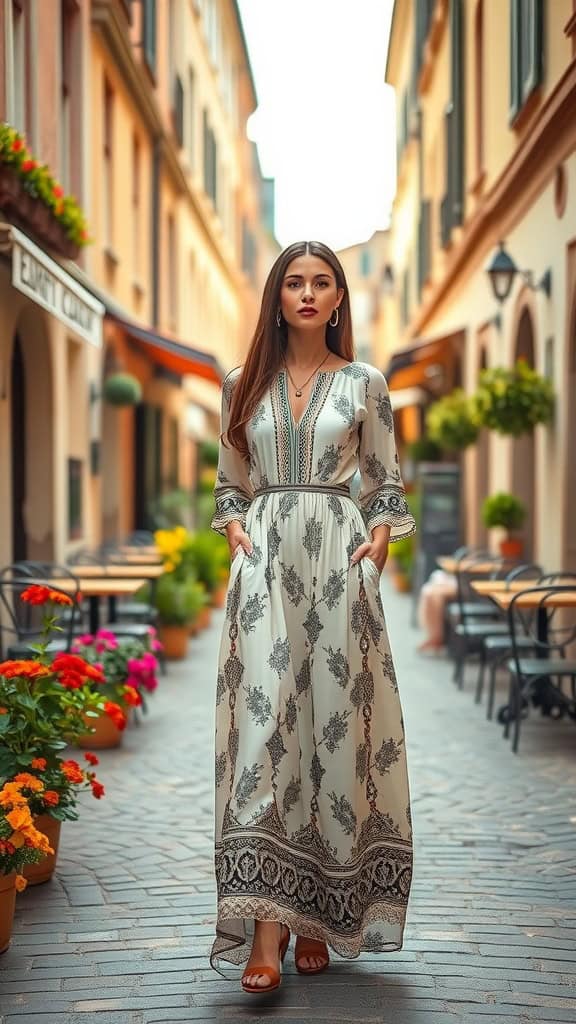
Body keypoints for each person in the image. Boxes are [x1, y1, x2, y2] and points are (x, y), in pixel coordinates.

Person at [210, 240, 416, 994]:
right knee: (267, 729)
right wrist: (238, 539)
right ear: (277, 295)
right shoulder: (240, 385)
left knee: (331, 734)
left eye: (320, 282)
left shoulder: (365, 383)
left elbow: (385, 482)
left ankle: (317, 918)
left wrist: (378, 551)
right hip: (265, 568)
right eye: (293, 281)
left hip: (338, 565)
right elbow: (230, 486)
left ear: (337, 299)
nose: (306, 292)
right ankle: (267, 926)